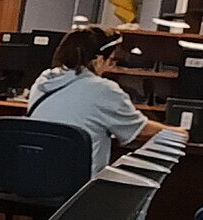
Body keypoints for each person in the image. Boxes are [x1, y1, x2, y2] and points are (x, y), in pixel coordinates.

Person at [26, 27, 151, 174]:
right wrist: (179, 132)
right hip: (78, 189)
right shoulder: (103, 89)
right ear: (98, 60)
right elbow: (141, 130)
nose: (111, 66)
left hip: (32, 175)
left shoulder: (44, 80)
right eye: (111, 60)